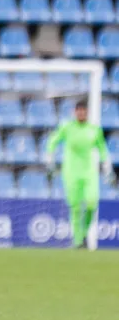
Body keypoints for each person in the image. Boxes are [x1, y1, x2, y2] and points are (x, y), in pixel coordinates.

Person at [46, 99, 113, 249]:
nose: (81, 114)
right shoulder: (67, 127)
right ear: (75, 112)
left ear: (87, 112)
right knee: (75, 207)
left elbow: (102, 148)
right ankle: (78, 241)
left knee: (91, 203)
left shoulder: (94, 129)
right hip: (71, 172)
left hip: (89, 172)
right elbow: (53, 140)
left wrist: (106, 164)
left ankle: (83, 233)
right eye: (79, 111)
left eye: (84, 111)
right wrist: (50, 155)